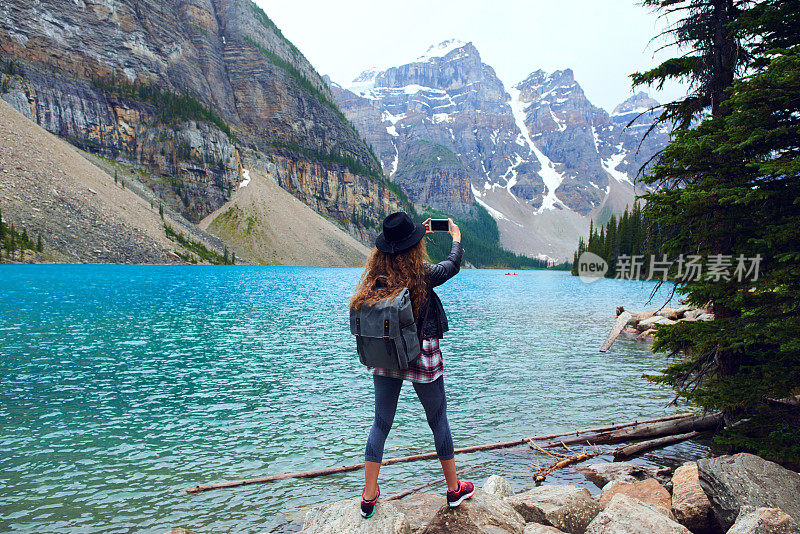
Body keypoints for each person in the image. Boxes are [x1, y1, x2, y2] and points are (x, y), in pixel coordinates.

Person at [349, 211, 474, 518]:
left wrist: (415, 236)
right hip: (422, 353)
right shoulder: (422, 272)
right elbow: (451, 266)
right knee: (438, 418)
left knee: (381, 422)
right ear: (414, 245)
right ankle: (453, 489)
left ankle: (368, 497)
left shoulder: (375, 277)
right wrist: (455, 238)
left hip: (386, 355)